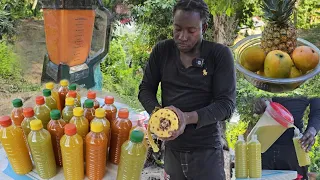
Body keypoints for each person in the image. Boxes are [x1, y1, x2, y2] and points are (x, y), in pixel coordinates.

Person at [138, 0, 236, 179]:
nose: (182, 36)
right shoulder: (162, 51)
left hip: (206, 153)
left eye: (191, 31)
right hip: (172, 151)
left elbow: (226, 105)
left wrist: (186, 118)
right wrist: (161, 116)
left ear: (204, 27)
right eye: (177, 29)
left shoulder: (219, 55)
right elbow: (145, 89)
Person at [253, 97, 320, 180]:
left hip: (294, 148)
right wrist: (260, 102)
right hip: (265, 145)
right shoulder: (266, 84)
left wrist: (312, 131)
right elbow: (257, 100)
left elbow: (317, 111)